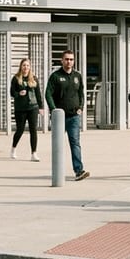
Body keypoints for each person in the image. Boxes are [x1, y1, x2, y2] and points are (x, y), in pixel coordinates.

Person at [46, 50, 90, 181]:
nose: (69, 62)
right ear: (61, 60)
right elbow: (48, 93)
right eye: (66, 59)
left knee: (75, 143)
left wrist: (81, 107)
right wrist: (54, 110)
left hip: (74, 117)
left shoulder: (77, 76)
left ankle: (79, 170)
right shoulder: (55, 76)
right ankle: (57, 172)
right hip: (59, 117)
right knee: (58, 144)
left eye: (71, 59)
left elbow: (81, 93)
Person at [9, 58, 42, 161]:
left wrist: (41, 107)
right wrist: (18, 94)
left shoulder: (34, 79)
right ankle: (13, 149)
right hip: (20, 108)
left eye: (27, 65)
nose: (26, 67)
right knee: (20, 130)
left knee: (33, 130)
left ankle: (34, 153)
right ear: (21, 66)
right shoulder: (16, 78)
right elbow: (12, 93)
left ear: (30, 67)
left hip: (33, 107)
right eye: (24, 65)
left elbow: (38, 94)